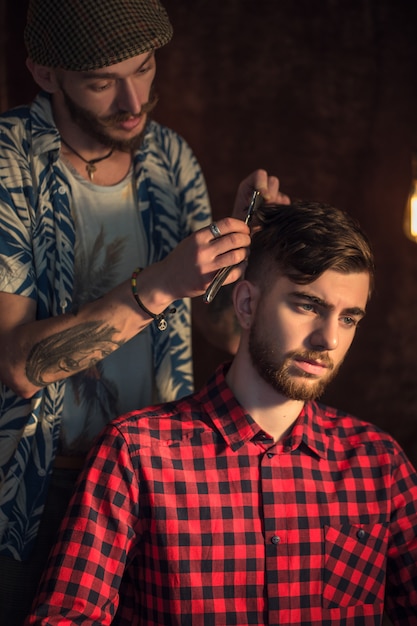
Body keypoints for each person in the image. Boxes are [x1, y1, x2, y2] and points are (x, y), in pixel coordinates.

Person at [0, 0, 288, 622]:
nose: (134, 102)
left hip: (153, 480)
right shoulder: (8, 162)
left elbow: (218, 331)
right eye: (103, 82)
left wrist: (243, 255)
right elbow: (19, 366)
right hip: (30, 496)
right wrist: (158, 284)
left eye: (145, 68)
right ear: (46, 74)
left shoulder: (170, 157)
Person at [26, 200, 417, 625]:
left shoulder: (379, 463)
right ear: (246, 305)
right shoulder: (137, 455)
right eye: (308, 306)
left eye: (349, 319)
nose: (329, 340)